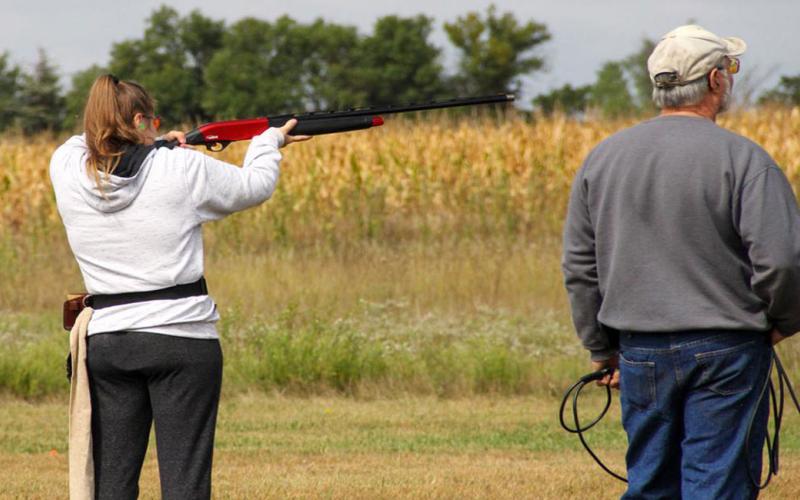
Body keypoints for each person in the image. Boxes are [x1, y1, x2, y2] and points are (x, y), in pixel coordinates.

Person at [562, 25, 800, 499]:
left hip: (638, 350)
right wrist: (784, 321)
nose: (730, 79)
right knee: (717, 484)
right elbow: (784, 261)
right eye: (729, 69)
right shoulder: (746, 160)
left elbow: (580, 266)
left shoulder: (602, 159)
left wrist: (601, 347)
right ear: (715, 81)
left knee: (650, 484)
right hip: (727, 350)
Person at [49, 74, 309, 499]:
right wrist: (268, 143)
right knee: (185, 482)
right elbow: (254, 186)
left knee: (111, 484)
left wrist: (148, 141)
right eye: (151, 121)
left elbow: (90, 142)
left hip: (109, 343)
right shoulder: (181, 167)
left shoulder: (65, 166)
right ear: (138, 119)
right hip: (181, 338)